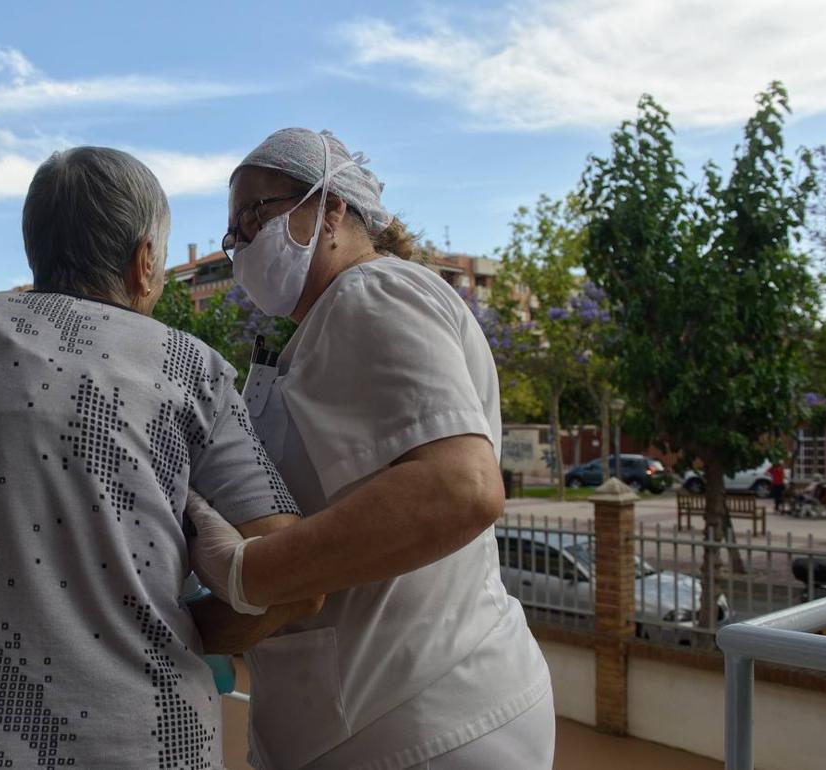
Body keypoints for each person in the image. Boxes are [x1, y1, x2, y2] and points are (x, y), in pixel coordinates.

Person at [0, 146, 318, 769]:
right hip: (145, 742)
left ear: (35, 249)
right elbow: (297, 582)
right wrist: (189, 635)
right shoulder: (191, 368)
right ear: (145, 260)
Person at [187, 128, 553, 770]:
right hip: (384, 719)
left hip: (422, 719)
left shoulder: (370, 292)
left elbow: (458, 488)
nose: (241, 241)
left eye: (256, 213)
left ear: (330, 208)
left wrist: (252, 572)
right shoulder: (326, 326)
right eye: (232, 231)